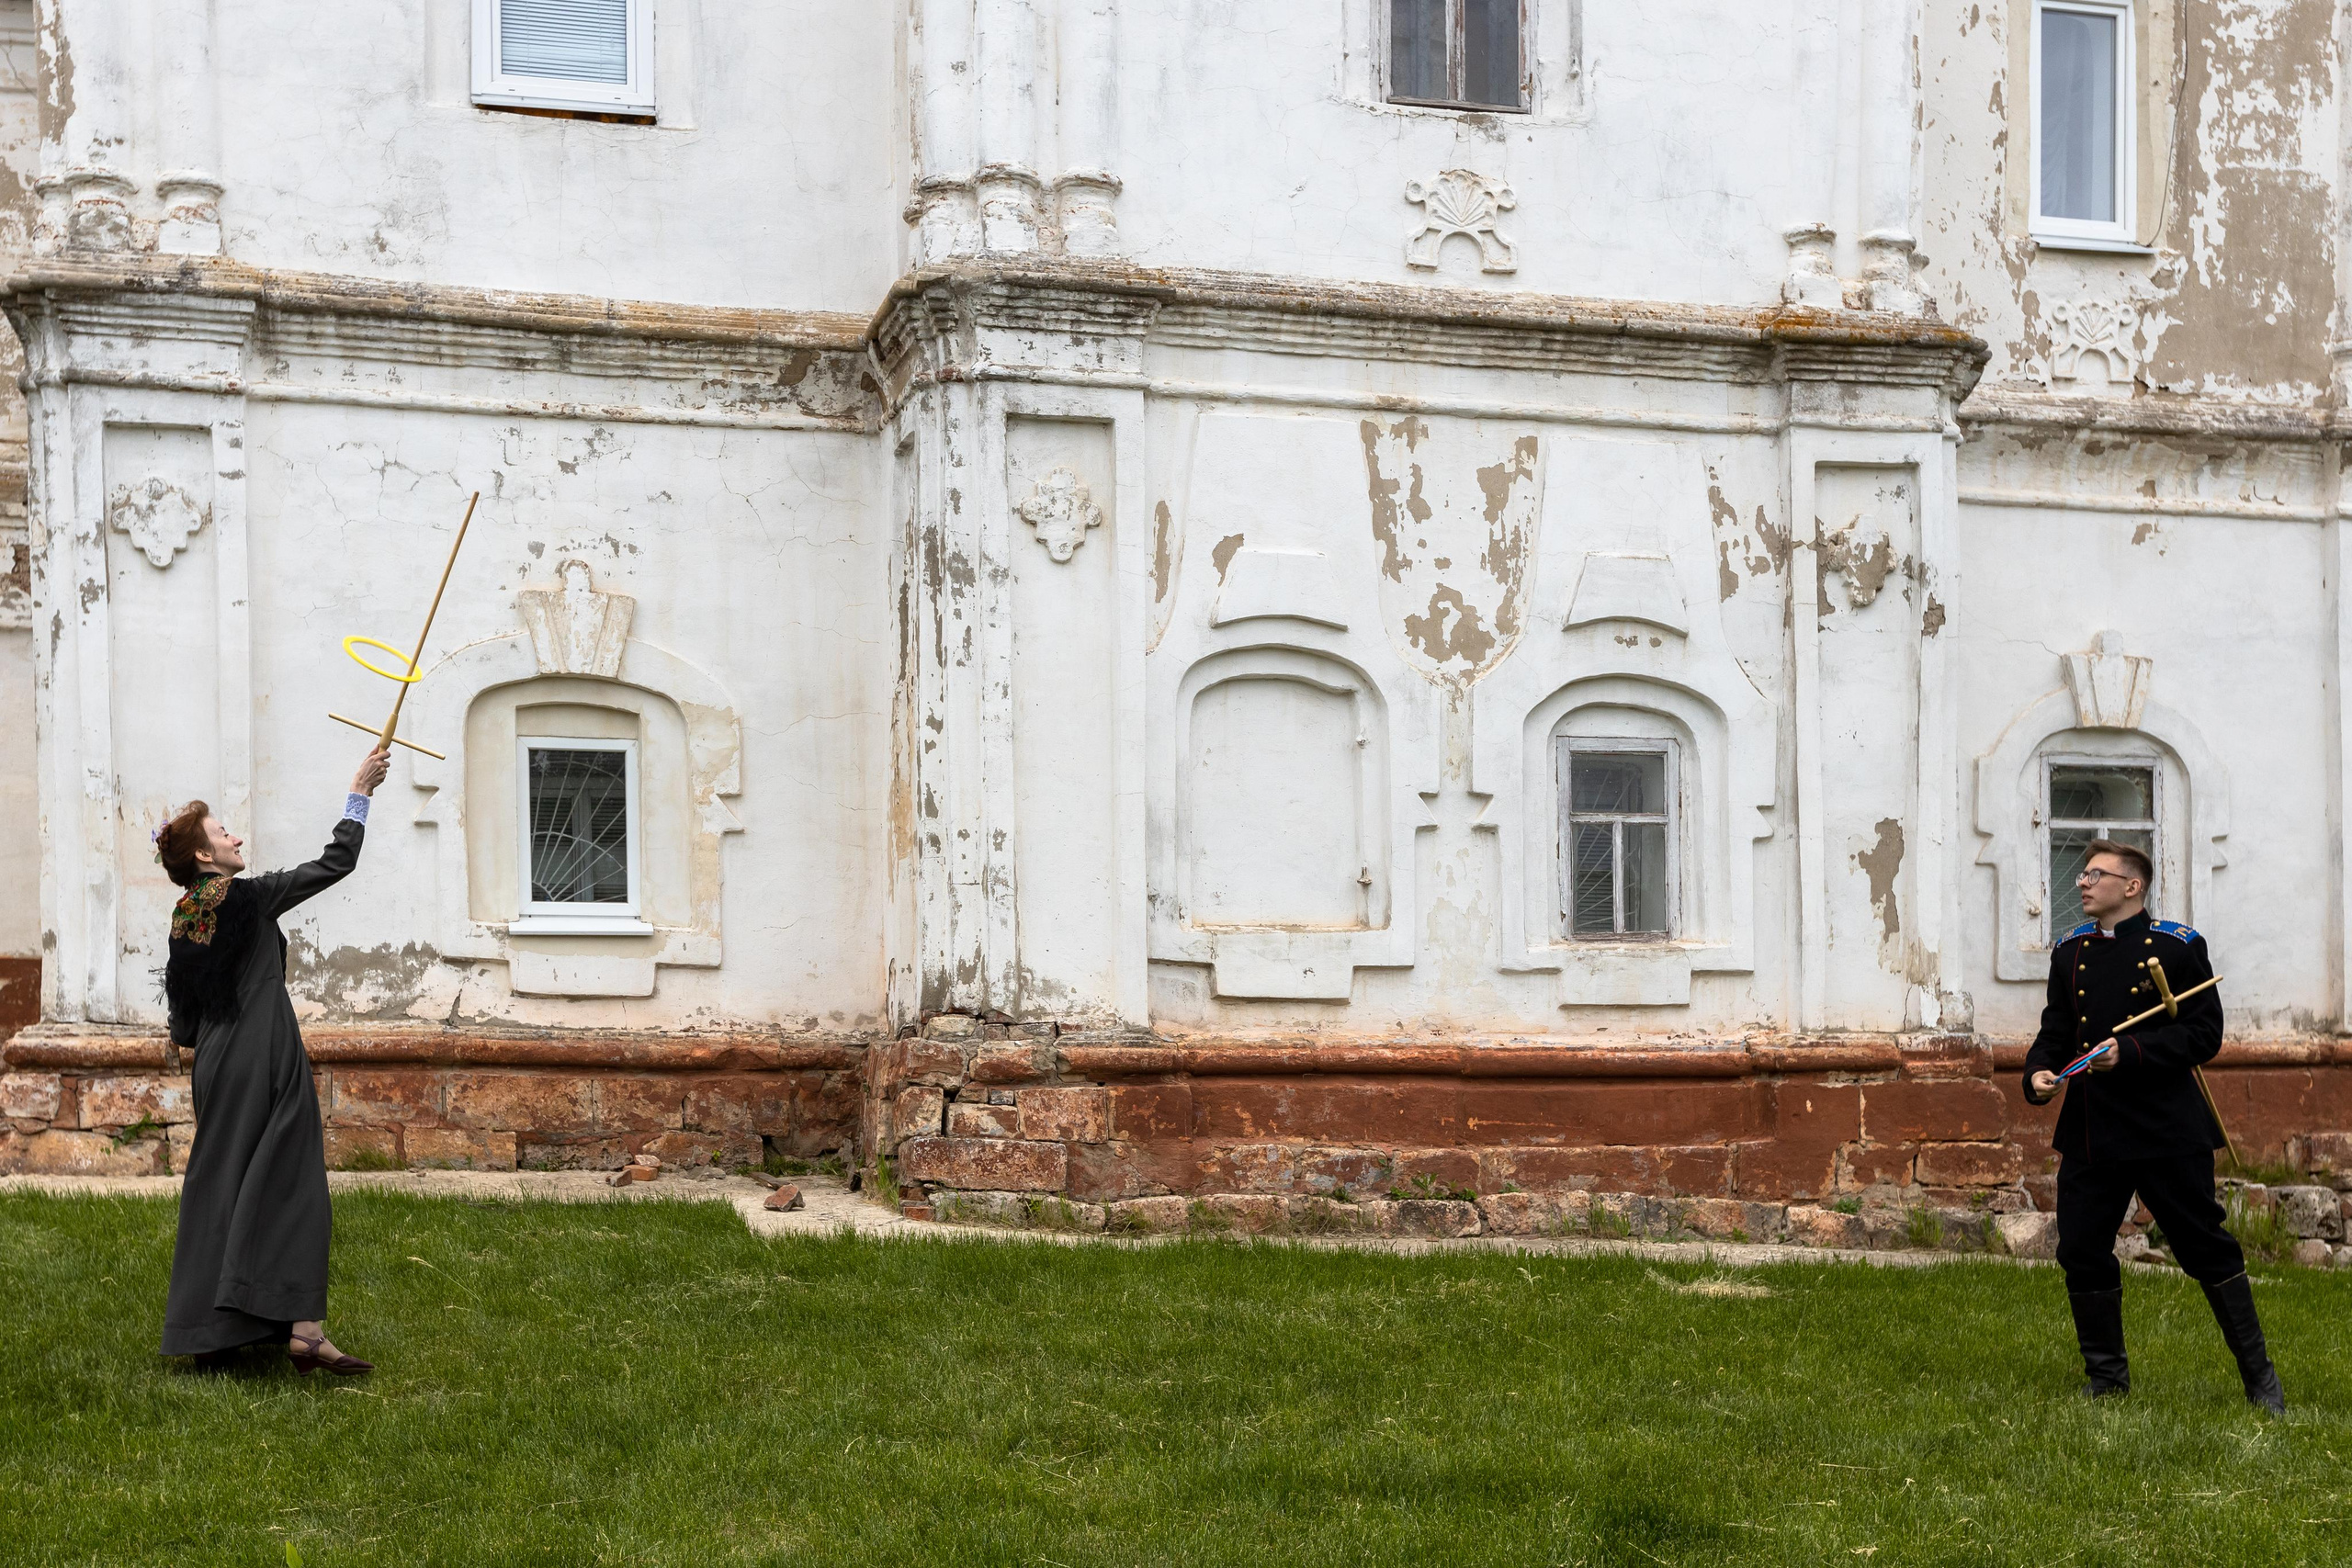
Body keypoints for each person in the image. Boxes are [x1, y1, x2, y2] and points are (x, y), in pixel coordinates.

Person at [2022, 838, 2283, 1413]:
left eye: (2096, 874)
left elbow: (2202, 1035)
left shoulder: (2178, 947)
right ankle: (2107, 1379)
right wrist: (2039, 1071)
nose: (2082, 883)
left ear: (2131, 886)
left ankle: (2261, 1380)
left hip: (2166, 1129)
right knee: (2083, 1250)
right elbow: (2056, 1031)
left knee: (2204, 1248)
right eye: (2083, 873)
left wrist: (2132, 1054)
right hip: (2091, 1129)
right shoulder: (2070, 952)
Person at [155, 747, 390, 1373]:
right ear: (205, 856)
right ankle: (303, 1328)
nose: (235, 836)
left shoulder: (184, 918)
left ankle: (211, 1334)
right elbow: (336, 861)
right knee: (292, 1182)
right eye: (221, 832)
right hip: (265, 1052)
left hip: (215, 1063)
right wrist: (358, 792)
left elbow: (182, 1022)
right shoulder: (251, 897)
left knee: (222, 1182)